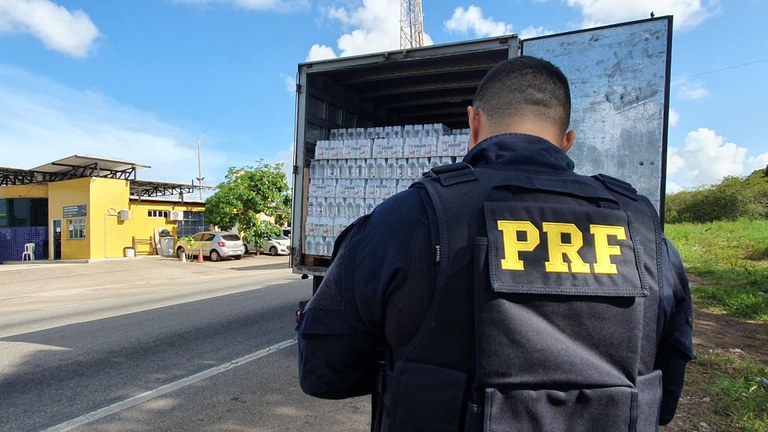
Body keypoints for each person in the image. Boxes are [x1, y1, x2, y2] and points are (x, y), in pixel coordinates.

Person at [296, 56, 693, 432]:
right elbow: (665, 398)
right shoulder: (645, 234)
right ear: (567, 140)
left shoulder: (407, 218)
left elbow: (324, 372)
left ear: (473, 123)